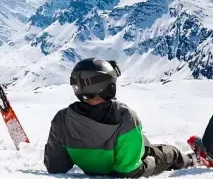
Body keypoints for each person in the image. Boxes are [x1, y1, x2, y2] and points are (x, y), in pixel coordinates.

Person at [44, 57, 197, 177]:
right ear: (108, 87)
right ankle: (193, 159)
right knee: (169, 153)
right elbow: (128, 172)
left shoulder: (61, 119)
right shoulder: (125, 118)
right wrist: (150, 161)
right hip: (130, 161)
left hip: (112, 157)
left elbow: (55, 167)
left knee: (141, 142)